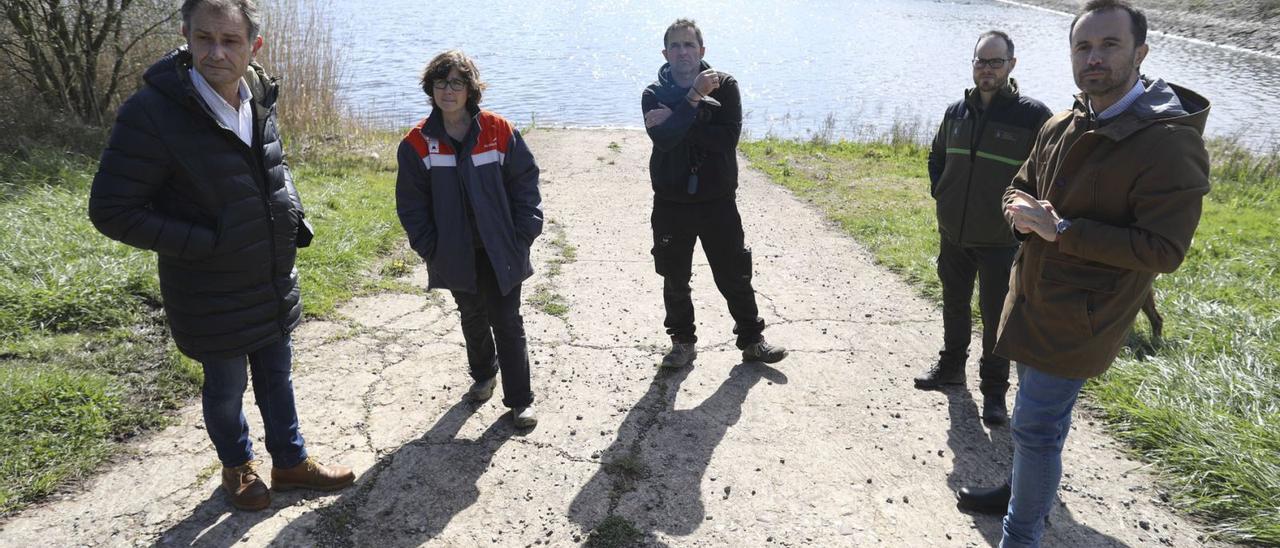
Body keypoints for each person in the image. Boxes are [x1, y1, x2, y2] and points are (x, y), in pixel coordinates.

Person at [959, 2, 1211, 545]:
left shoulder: (1169, 141)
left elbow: (1164, 249)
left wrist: (1061, 231)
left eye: (1109, 45)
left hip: (1082, 314)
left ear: (1140, 53)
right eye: (1082, 47)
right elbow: (1018, 185)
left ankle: (1020, 534)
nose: (1093, 58)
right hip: (1031, 298)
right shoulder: (1064, 122)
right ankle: (1017, 489)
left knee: (1038, 428)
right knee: (1036, 423)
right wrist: (1017, 212)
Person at [88, 0, 354, 512]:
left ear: (252, 47)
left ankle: (291, 462)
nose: (216, 52)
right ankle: (237, 466)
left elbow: (270, 164)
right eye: (204, 38)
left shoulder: (257, 93)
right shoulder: (154, 112)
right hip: (209, 288)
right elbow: (112, 209)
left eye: (229, 41)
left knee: (278, 376)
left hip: (271, 275)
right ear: (186, 36)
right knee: (226, 387)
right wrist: (207, 244)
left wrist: (292, 215)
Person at [395, 50, 543, 428]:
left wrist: (525, 233)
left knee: (507, 321)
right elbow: (411, 206)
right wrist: (431, 249)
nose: (448, 90)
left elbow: (525, 183)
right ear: (431, 88)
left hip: (501, 248)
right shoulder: (416, 143)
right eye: (441, 82)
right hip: (454, 252)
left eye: (457, 82)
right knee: (472, 316)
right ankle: (483, 375)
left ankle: (520, 400)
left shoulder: (499, 130)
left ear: (470, 89)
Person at [916, 31, 1052, 427]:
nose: (986, 69)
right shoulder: (956, 111)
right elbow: (936, 156)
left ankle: (994, 392)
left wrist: (1024, 216)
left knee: (995, 316)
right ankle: (951, 369)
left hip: (999, 239)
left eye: (995, 61)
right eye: (980, 61)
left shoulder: (1032, 115)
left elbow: (1048, 172)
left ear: (1011, 64)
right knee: (954, 305)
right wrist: (940, 190)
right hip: (953, 233)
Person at [642, 18, 787, 369]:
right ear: (665, 52)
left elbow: (725, 141)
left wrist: (678, 119)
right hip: (672, 203)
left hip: (716, 201)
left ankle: (752, 341)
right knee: (675, 276)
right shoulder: (652, 93)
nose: (682, 52)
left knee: (734, 272)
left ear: (702, 50)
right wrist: (693, 100)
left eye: (689, 45)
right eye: (675, 46)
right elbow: (663, 140)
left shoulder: (725, 86)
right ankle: (682, 343)